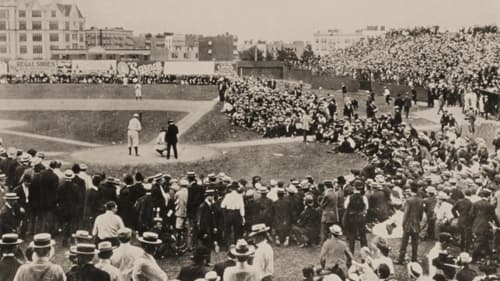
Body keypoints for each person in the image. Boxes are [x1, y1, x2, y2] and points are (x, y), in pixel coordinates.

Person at [397, 185, 424, 264]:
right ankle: (414, 258)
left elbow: (406, 213)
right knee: (415, 243)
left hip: (408, 223)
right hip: (416, 223)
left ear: (411, 190)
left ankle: (400, 259)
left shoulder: (409, 200)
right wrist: (419, 221)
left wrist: (403, 223)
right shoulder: (421, 200)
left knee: (404, 242)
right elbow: (421, 213)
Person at [57, 169, 83, 246]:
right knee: (72, 224)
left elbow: (58, 198)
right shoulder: (76, 187)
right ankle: (72, 239)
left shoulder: (61, 187)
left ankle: (65, 239)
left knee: (65, 224)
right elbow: (79, 199)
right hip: (73, 209)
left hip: (64, 209)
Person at [196, 189, 218, 264]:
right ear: (208, 196)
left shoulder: (209, 205)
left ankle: (206, 260)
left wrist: (214, 226)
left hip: (209, 228)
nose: (212, 197)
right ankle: (206, 261)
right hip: (205, 229)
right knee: (206, 245)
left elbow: (212, 217)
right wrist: (204, 231)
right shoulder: (204, 206)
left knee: (208, 245)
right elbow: (203, 221)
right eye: (211, 196)